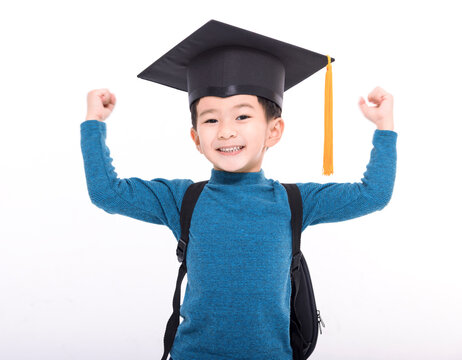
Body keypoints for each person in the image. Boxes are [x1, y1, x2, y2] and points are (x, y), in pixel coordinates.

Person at [80, 19, 397, 360]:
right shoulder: (183, 200)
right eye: (211, 119)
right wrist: (93, 123)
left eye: (242, 117)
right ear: (196, 138)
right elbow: (107, 193)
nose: (226, 131)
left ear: (273, 132)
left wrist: (384, 127)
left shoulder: (295, 202)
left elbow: (372, 195)